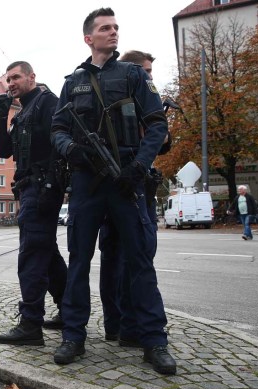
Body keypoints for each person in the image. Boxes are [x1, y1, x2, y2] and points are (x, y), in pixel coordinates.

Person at [51, 8, 176, 374]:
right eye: (106, 28)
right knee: (78, 262)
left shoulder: (133, 75)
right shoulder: (72, 82)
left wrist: (138, 166)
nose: (114, 32)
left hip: (126, 177)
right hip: (87, 182)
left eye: (116, 27)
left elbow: (156, 125)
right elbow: (57, 128)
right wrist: (71, 149)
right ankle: (73, 336)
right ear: (89, 38)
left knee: (140, 262)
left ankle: (154, 341)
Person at [98, 49, 170, 348]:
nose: (149, 77)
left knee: (125, 258)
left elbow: (163, 143)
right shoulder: (120, 99)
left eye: (150, 71)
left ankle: (124, 325)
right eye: (145, 70)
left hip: (139, 184)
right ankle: (124, 326)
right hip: (124, 186)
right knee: (125, 257)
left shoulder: (143, 100)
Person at [0, 61, 68, 346]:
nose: (10, 83)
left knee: (32, 256)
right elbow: (3, 150)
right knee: (47, 255)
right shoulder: (23, 112)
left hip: (41, 190)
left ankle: (30, 324)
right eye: (7, 80)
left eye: (16, 77)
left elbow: (60, 145)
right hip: (29, 190)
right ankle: (68, 310)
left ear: (31, 77)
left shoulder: (48, 103)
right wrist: (1, 117)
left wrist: (53, 185)